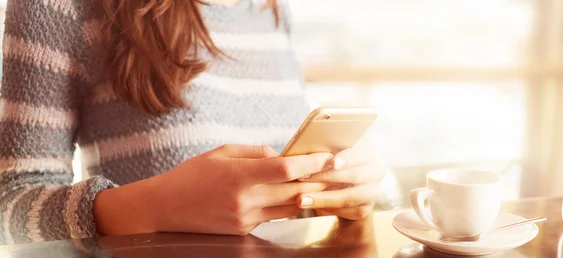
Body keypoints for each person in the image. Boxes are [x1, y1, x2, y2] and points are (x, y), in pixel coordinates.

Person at [0, 0, 385, 245]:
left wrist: (340, 192)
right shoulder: (56, 7)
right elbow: (10, 210)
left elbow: (283, 203)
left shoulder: (272, 9)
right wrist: (157, 208)